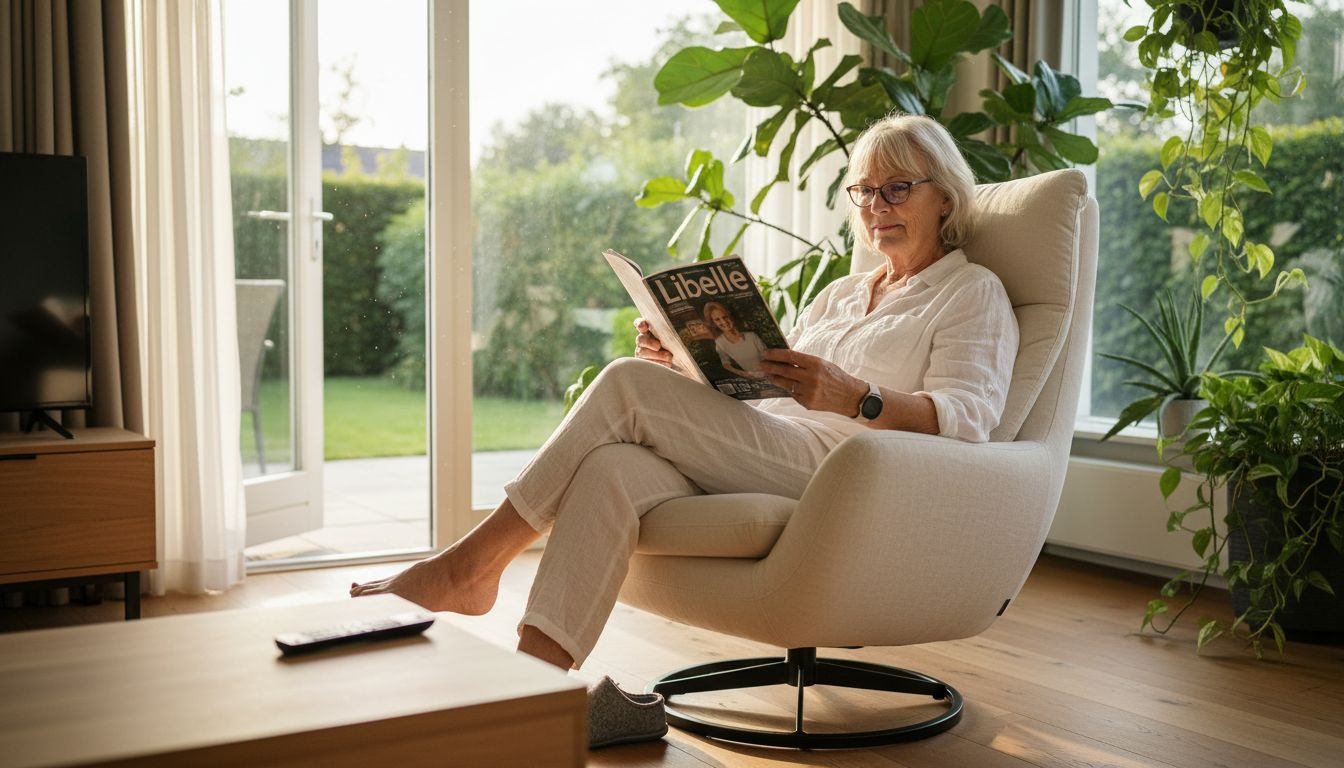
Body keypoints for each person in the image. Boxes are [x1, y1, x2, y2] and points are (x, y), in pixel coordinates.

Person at [350, 113, 1018, 743]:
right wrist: (684, 363)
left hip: (845, 474)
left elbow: (967, 418)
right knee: (611, 468)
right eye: (865, 191)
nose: (876, 206)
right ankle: (538, 692)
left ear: (945, 198)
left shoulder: (972, 292)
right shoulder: (840, 294)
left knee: (624, 384)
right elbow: (768, 394)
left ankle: (470, 567)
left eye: (898, 188)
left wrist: (859, 398)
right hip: (770, 444)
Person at [703, 301, 768, 378]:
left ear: (730, 316)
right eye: (717, 319)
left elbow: (767, 355)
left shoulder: (751, 336)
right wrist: (743, 373)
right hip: (753, 378)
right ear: (713, 323)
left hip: (769, 373)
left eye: (725, 317)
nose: (724, 322)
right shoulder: (720, 342)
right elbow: (725, 364)